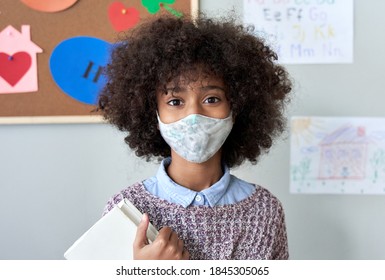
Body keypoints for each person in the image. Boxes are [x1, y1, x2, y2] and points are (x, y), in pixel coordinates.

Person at [98, 12, 292, 260]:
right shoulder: (126, 208)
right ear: (152, 114)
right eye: (175, 101)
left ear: (237, 108)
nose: (194, 114)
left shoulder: (265, 211)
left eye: (211, 99)